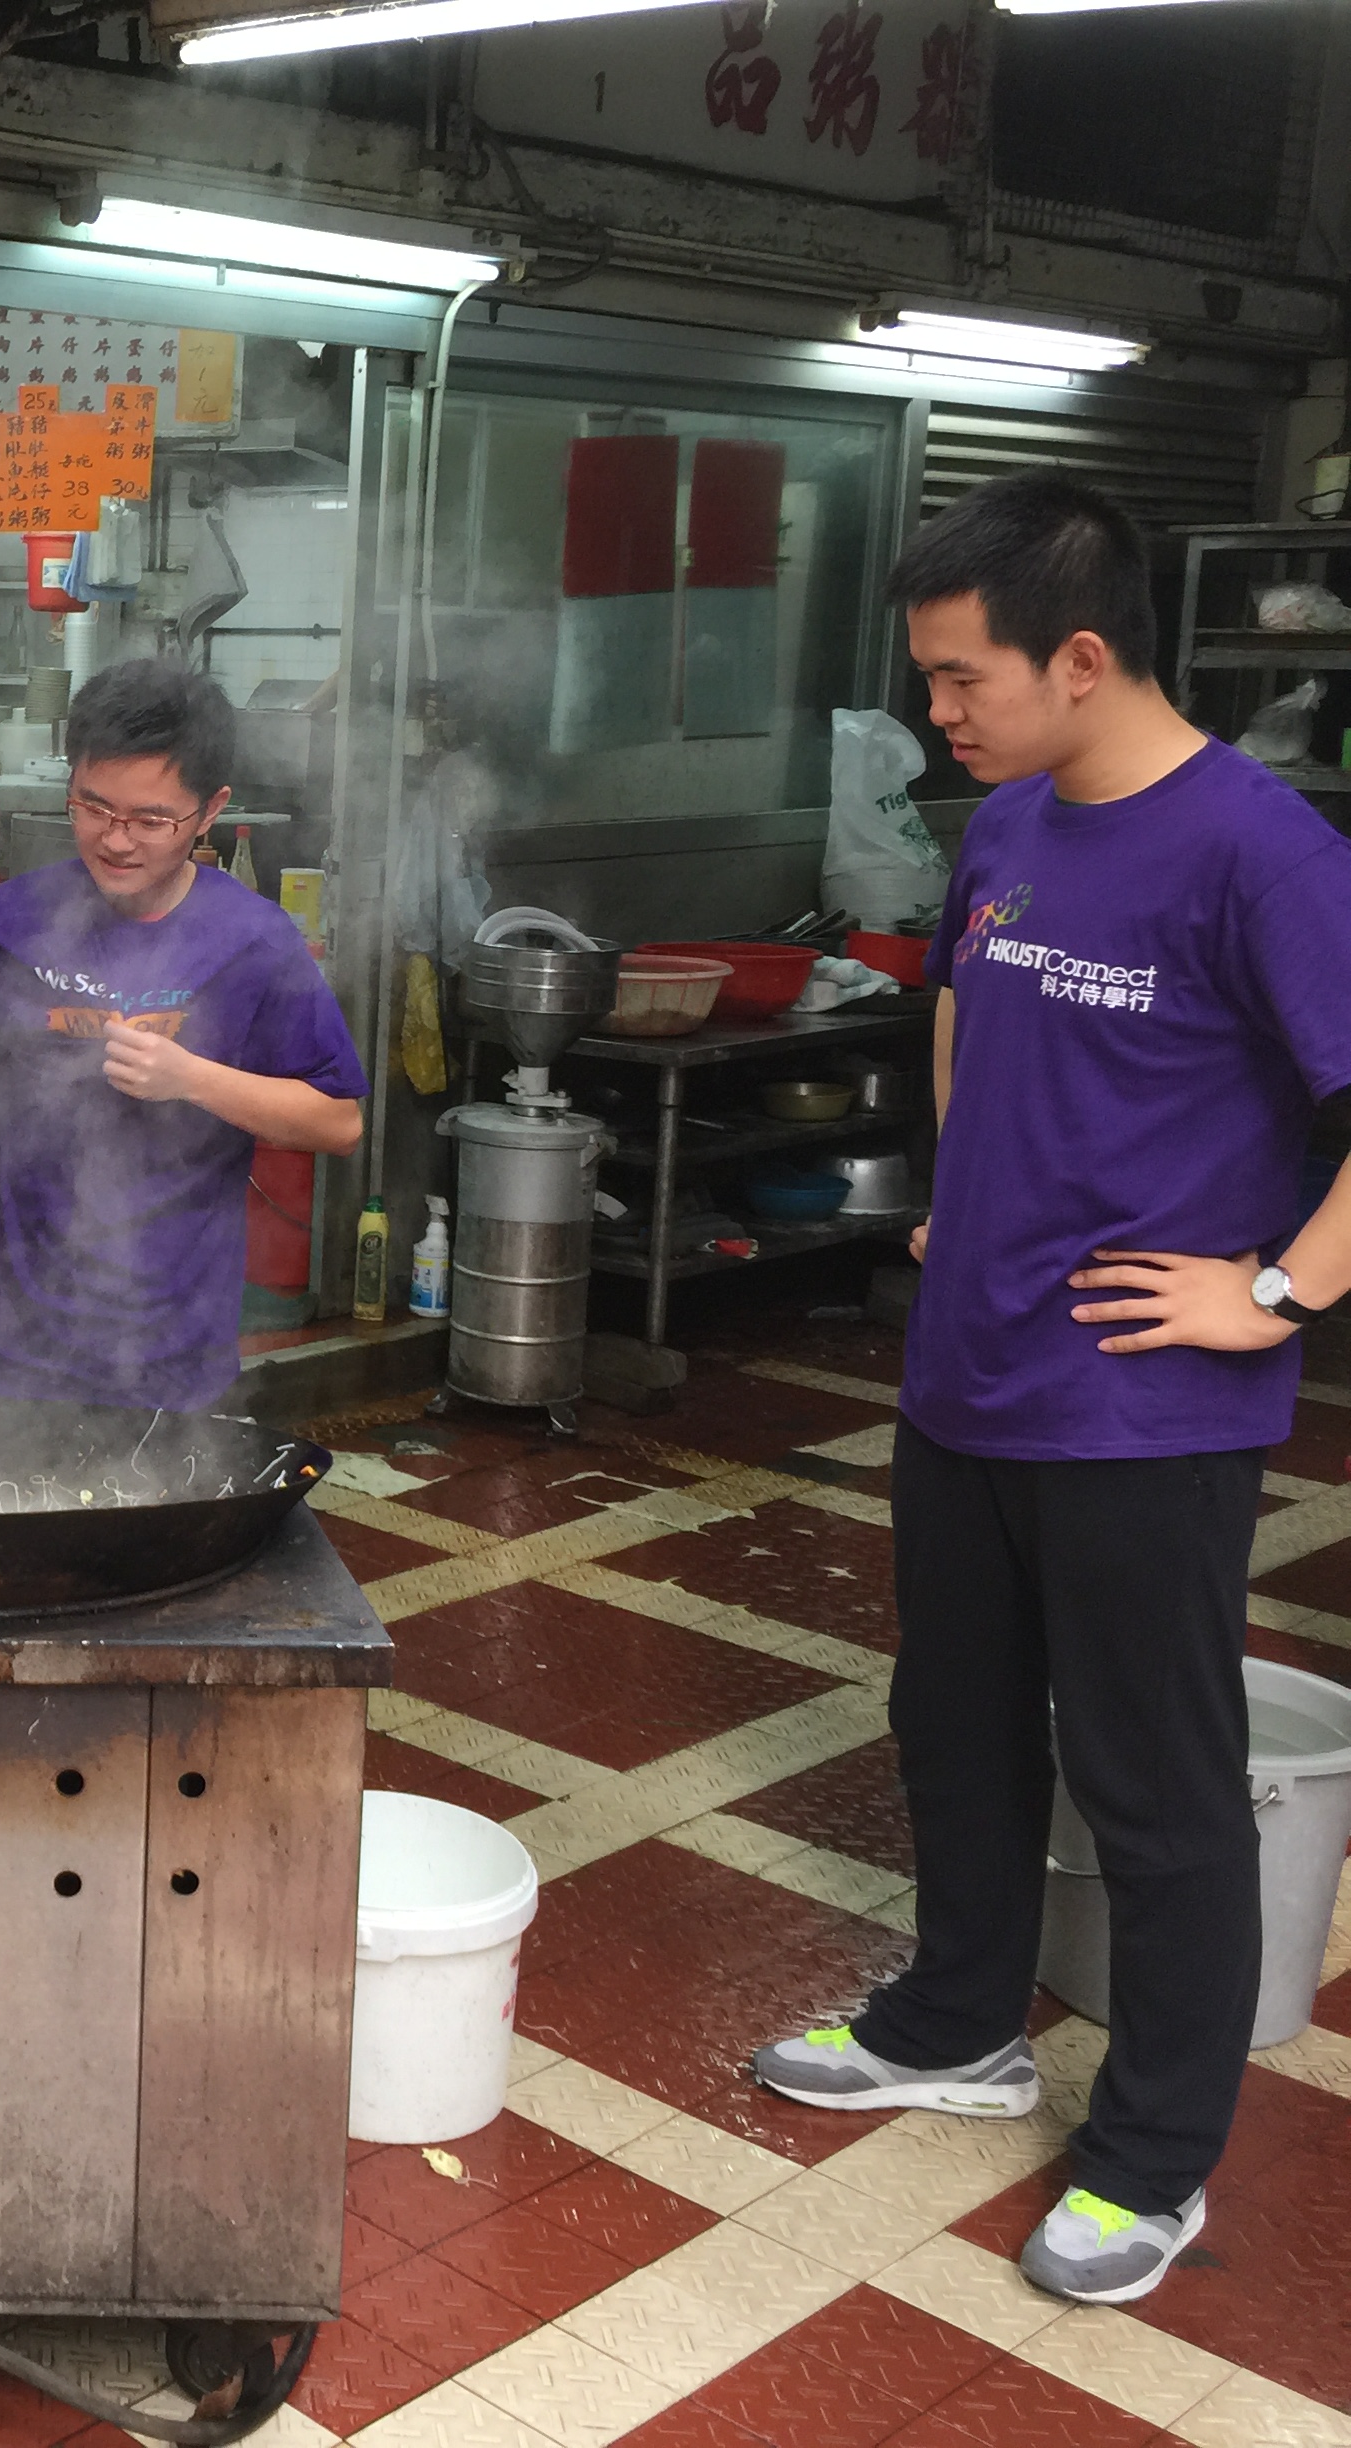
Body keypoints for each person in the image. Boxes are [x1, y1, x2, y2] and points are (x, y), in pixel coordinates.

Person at [749, 472, 1351, 2308]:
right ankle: (954, 2022)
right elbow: (960, 1001)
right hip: (967, 1375)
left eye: (956, 676)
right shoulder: (1004, 823)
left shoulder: (1261, 852)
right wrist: (964, 1191)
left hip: (1141, 1412)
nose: (931, 710)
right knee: (949, 1718)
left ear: (1077, 658)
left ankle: (1151, 2150)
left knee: (1151, 1778)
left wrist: (1269, 1287)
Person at [0, 660, 364, 1411]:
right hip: (4, 1331)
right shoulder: (12, 920)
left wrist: (192, 1078)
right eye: (93, 807)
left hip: (168, 1347)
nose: (115, 840)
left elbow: (337, 1121)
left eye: (151, 820)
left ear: (210, 811)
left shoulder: (253, 942)